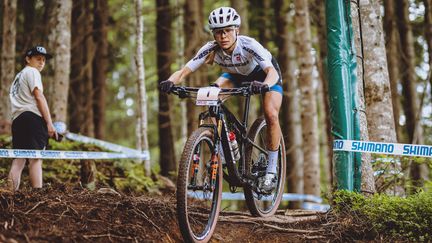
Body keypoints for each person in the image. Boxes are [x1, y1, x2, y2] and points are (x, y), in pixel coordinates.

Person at [159, 7, 283, 193]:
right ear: (214, 34)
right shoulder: (210, 49)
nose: (223, 35)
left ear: (236, 31)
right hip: (234, 76)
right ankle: (228, 145)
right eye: (218, 32)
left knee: (271, 114)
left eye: (227, 30)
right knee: (210, 97)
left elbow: (271, 72)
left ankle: (271, 170)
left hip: (263, 75)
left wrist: (264, 85)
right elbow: (184, 71)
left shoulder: (249, 45)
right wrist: (170, 81)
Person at [7, 45, 58, 191]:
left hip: (17, 119)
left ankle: (8, 196)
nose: (41, 62)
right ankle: (38, 197)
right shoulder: (32, 72)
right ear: (28, 59)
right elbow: (39, 96)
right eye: (37, 59)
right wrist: (49, 123)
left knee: (19, 159)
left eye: (43, 60)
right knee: (36, 158)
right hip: (32, 118)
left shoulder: (19, 76)